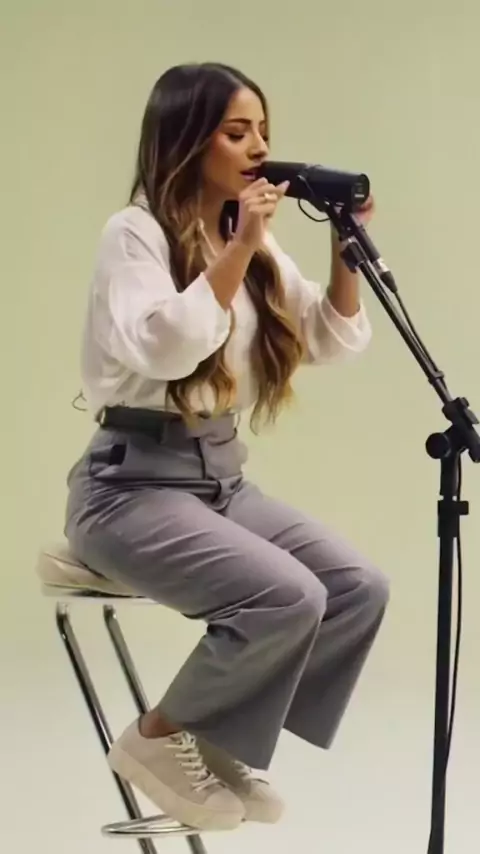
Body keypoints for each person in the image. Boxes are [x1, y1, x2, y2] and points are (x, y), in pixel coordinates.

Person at [65, 61, 389, 833]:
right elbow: (167, 348)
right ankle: (157, 737)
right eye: (237, 132)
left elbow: (327, 337)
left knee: (356, 588)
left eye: (263, 131)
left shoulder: (250, 239)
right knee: (288, 596)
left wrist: (347, 248)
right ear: (186, 139)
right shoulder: (135, 234)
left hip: (220, 478)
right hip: (129, 486)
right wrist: (240, 247)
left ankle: (214, 739)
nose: (260, 148)